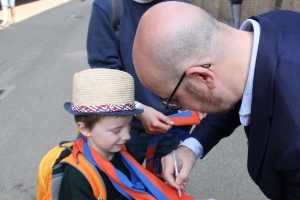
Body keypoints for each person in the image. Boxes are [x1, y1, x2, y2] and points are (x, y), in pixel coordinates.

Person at [132, 1, 300, 199]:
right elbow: (235, 95)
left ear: (203, 77)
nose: (179, 107)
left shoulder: (293, 137)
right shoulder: (274, 26)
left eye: (174, 99)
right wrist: (190, 148)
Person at [86, 0, 191, 178]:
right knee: (121, 182)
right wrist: (139, 109)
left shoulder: (182, 5)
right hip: (124, 124)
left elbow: (195, 59)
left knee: (164, 182)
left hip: (172, 123)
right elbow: (105, 71)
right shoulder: (108, 6)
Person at [59, 68, 194, 200]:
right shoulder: (77, 178)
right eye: (116, 130)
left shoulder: (121, 151)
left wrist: (162, 190)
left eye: (128, 125)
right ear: (85, 129)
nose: (127, 136)